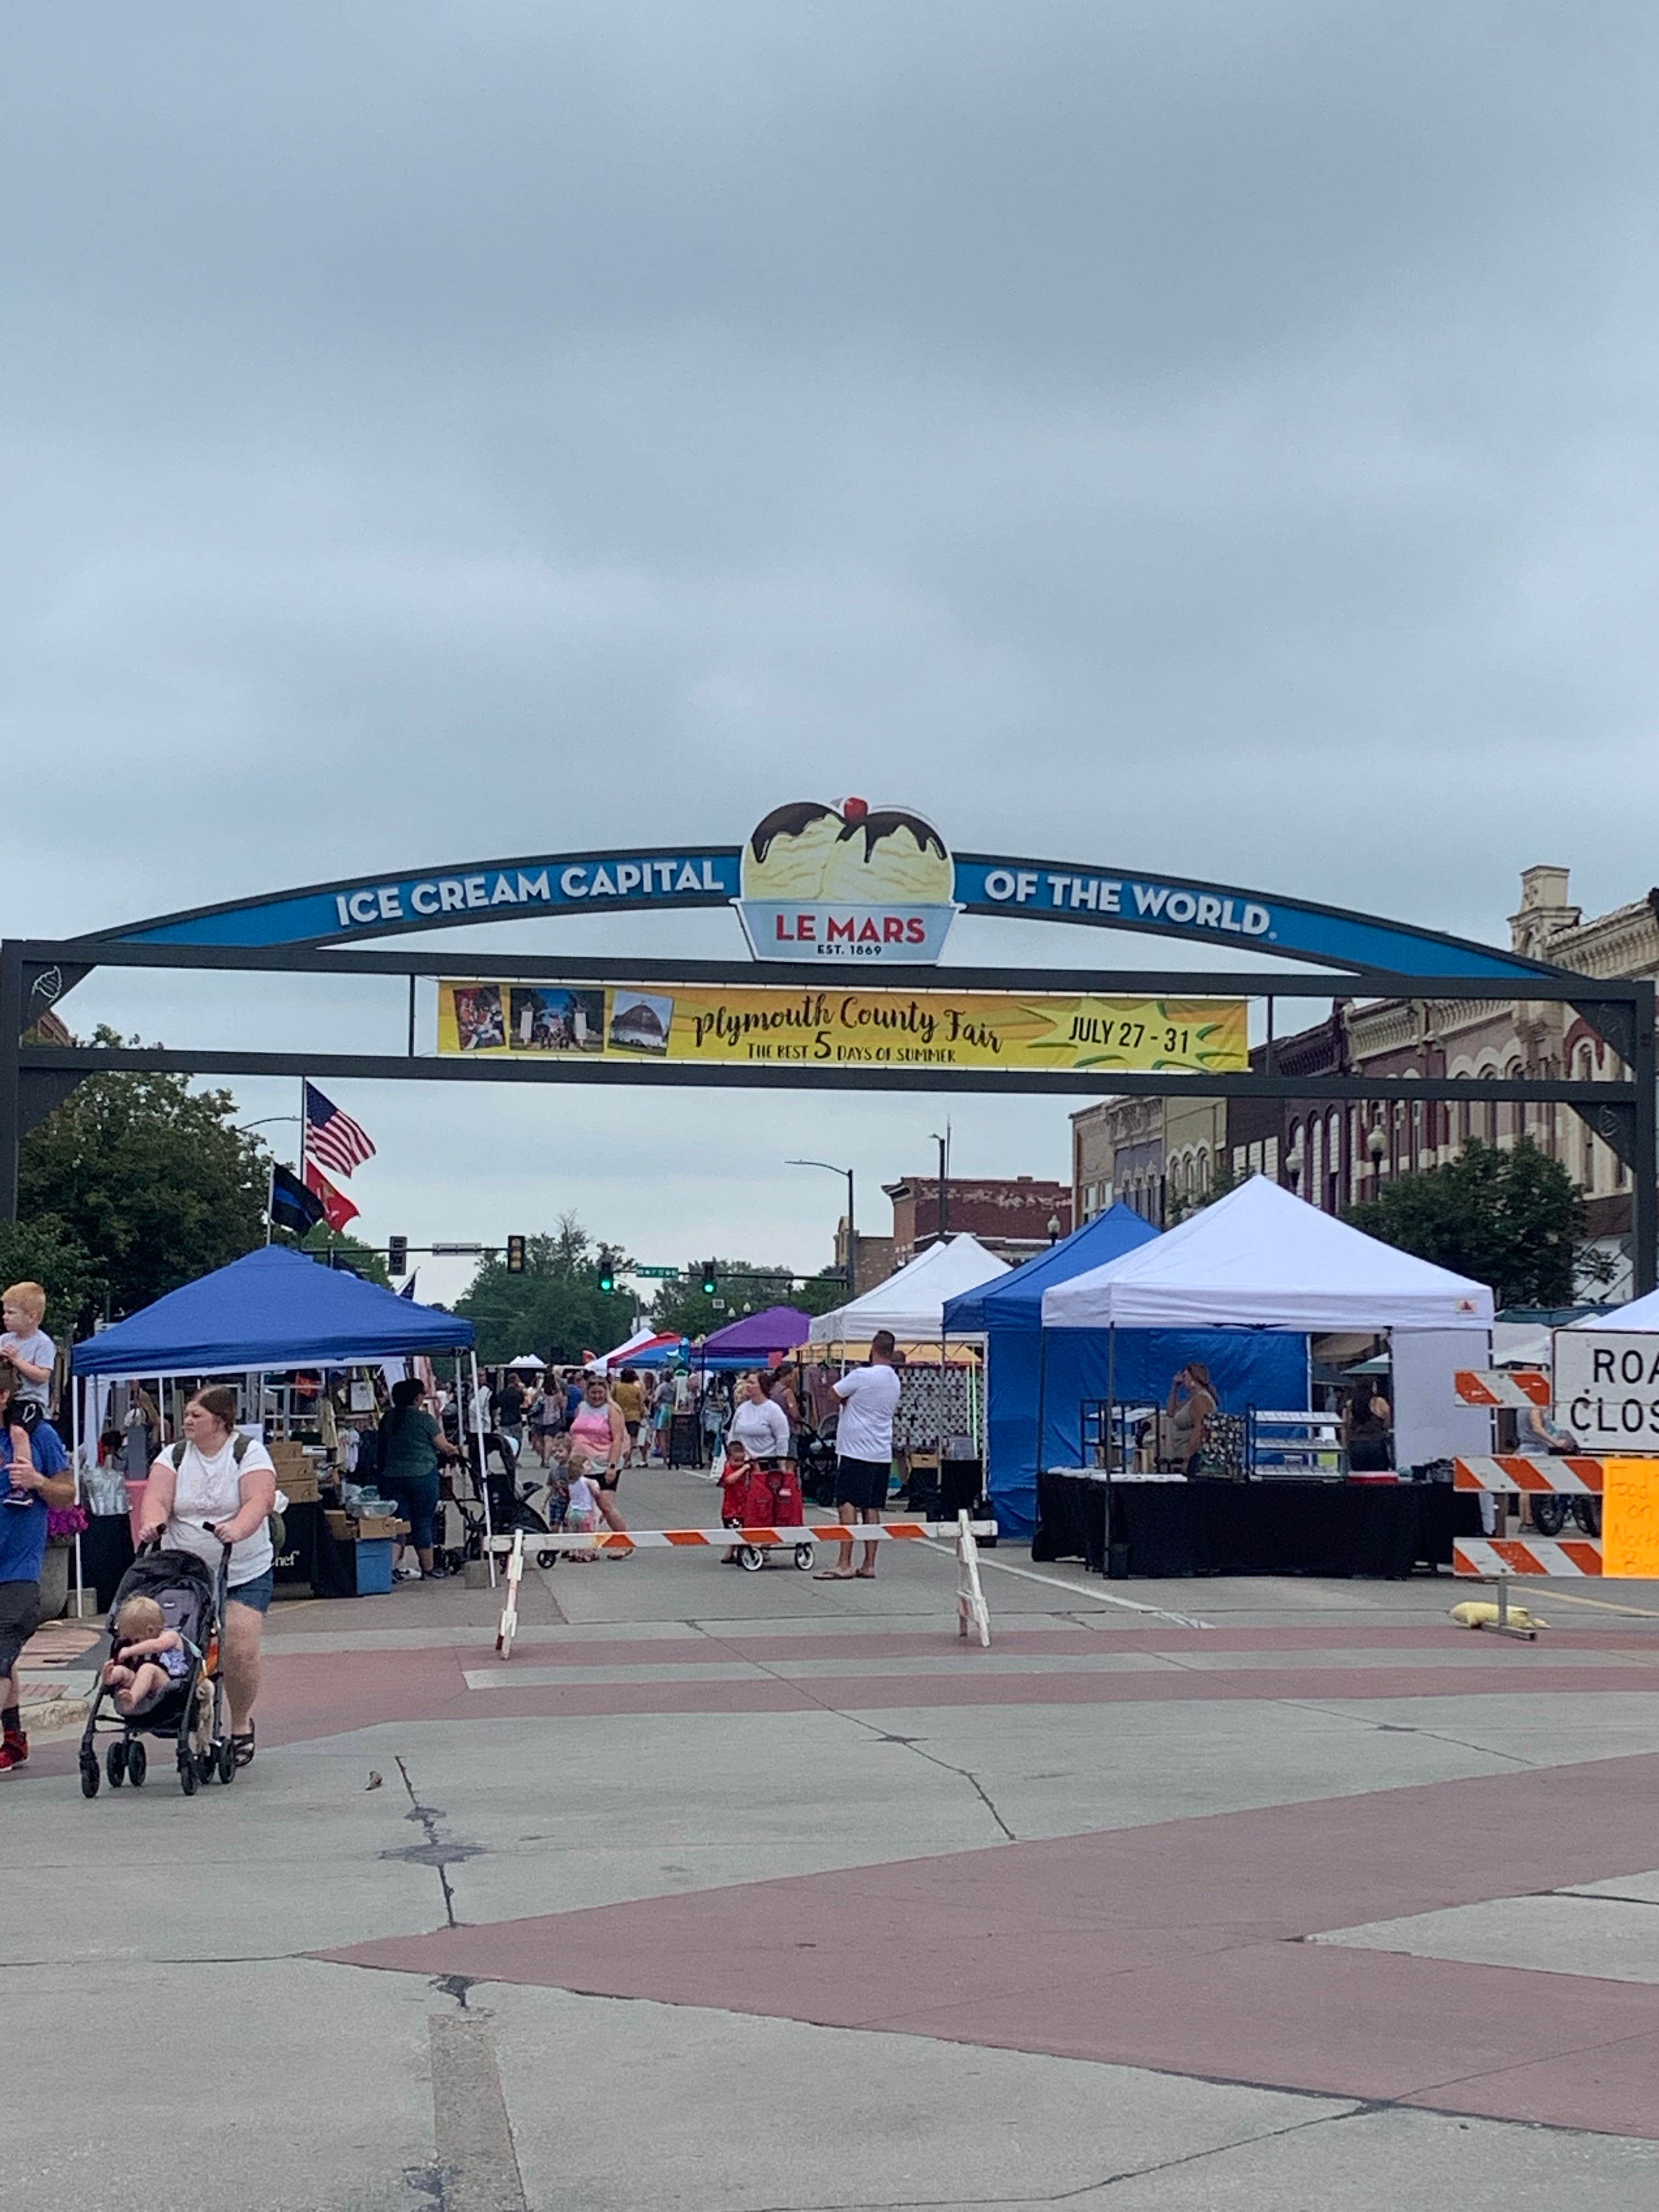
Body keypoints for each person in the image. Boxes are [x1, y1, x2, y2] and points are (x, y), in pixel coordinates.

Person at [138, 1385, 275, 1769]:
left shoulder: (247, 1453)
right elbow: (158, 1497)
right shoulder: (175, 1455)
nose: (188, 1421)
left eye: (197, 1415)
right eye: (187, 1415)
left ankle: (240, 1721)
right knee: (181, 1645)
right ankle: (189, 1716)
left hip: (244, 1567)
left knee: (240, 1648)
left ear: (221, 1421)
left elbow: (260, 1499)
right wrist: (153, 1522)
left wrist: (238, 1528)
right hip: (186, 1571)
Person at [0, 1357, 75, 1774]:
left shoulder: (36, 1435)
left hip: (19, 1572)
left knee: (0, 1651)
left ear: (4, 1395)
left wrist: (38, 1482)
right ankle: (13, 1739)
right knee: (4, 1659)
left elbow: (67, 1493)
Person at [819, 1330, 902, 1582]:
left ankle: (844, 1562)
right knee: (872, 1507)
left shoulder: (862, 1375)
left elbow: (834, 1393)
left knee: (847, 1504)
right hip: (880, 1450)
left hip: (856, 1449)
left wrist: (848, 1402)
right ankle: (869, 1563)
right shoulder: (894, 1380)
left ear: (873, 1348)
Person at [379, 1378, 464, 1581]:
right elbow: (444, 1446)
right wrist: (457, 1450)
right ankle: (428, 1568)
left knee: (397, 1523)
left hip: (392, 1476)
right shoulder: (424, 1420)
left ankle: (389, 1569)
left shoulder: (388, 1419)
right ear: (418, 1398)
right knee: (423, 1522)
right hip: (422, 1475)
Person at [567, 1374, 632, 1550]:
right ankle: (583, 1546)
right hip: (581, 1463)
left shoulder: (612, 1410)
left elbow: (618, 1439)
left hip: (604, 1462)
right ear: (587, 1392)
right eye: (593, 1393)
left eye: (600, 1393)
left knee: (605, 1505)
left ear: (606, 1392)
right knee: (581, 1506)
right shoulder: (581, 1407)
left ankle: (625, 1542)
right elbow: (575, 1432)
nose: (596, 1397)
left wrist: (612, 1466)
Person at [101, 1594, 192, 1717]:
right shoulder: (139, 1643)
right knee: (123, 1671)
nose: (134, 1644)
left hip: (165, 1682)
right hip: (140, 1681)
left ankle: (132, 1699)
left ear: (150, 1631)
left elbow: (156, 1646)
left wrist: (130, 1651)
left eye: (137, 1640)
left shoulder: (170, 1636)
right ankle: (110, 1678)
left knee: (147, 1669)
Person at [0, 1281, 55, 1420]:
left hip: (30, 1401)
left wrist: (17, 1360)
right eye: (5, 1312)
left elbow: (43, 1377)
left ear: (32, 1316)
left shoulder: (43, 1343)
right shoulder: (4, 1339)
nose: (5, 1317)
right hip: (6, 1398)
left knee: (18, 1431)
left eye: (11, 1313)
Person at [726, 1369, 791, 1466]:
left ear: (762, 1386)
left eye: (752, 1383)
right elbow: (733, 1435)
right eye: (747, 1382)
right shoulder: (742, 1409)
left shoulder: (774, 1410)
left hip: (766, 1464)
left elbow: (782, 1439)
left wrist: (781, 1465)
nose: (748, 1386)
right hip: (743, 1463)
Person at [1163, 1363, 1216, 1475]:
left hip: (1193, 1458)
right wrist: (1175, 1388)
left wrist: (1187, 1457)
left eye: (1185, 1376)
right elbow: (1171, 1412)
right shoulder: (1193, 1399)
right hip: (1182, 1455)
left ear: (1194, 1379)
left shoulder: (1201, 1399)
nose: (1183, 1380)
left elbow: (1200, 1429)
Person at [1343, 1382, 1392, 1472]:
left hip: (1356, 1445)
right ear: (1372, 1389)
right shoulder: (1379, 1402)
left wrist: (1345, 1445)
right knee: (1378, 1477)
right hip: (1376, 1443)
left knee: (1359, 1478)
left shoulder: (1350, 1404)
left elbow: (1346, 1426)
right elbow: (1388, 1424)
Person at [611, 1366, 646, 1466]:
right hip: (634, 1416)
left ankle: (622, 1457)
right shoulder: (636, 1389)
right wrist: (642, 1414)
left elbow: (612, 1400)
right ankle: (628, 1459)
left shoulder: (617, 1387)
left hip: (619, 1415)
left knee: (620, 1438)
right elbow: (641, 1404)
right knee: (632, 1439)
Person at [496, 1370, 527, 1452]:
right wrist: (522, 1391)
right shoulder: (517, 1393)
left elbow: (497, 1404)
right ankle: (515, 1457)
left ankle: (508, 1457)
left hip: (505, 1420)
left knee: (506, 1441)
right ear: (516, 1381)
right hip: (516, 1419)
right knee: (517, 1440)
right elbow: (522, 1401)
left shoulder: (503, 1393)